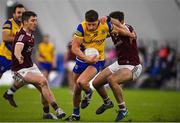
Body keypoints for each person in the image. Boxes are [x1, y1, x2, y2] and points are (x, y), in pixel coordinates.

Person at [66, 10, 135, 121]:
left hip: (98, 61)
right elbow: (74, 48)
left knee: (82, 82)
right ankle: (76, 115)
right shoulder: (81, 27)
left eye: (94, 24)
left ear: (98, 21)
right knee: (77, 88)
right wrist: (86, 58)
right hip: (82, 60)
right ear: (85, 21)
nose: (91, 27)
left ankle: (88, 92)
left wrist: (131, 34)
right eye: (89, 24)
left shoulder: (105, 25)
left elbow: (117, 31)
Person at [10, 11, 66, 119]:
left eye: (36, 20)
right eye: (32, 20)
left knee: (44, 88)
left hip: (31, 66)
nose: (35, 23)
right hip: (22, 69)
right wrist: (18, 56)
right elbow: (18, 49)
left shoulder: (30, 34)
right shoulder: (22, 36)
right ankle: (57, 109)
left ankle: (46, 113)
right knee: (43, 81)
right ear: (25, 22)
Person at [92, 11, 142, 122]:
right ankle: (107, 102)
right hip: (119, 63)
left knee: (112, 80)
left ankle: (123, 109)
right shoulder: (113, 29)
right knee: (96, 83)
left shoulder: (127, 27)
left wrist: (108, 19)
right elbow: (103, 33)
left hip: (133, 66)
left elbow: (122, 31)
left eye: (113, 21)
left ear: (121, 21)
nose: (111, 23)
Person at [1, 4, 26, 107]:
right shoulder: (9, 23)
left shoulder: (25, 26)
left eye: (23, 13)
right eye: (19, 12)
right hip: (3, 57)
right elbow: (5, 38)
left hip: (16, 59)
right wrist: (20, 38)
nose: (21, 15)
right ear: (14, 14)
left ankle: (9, 93)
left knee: (23, 78)